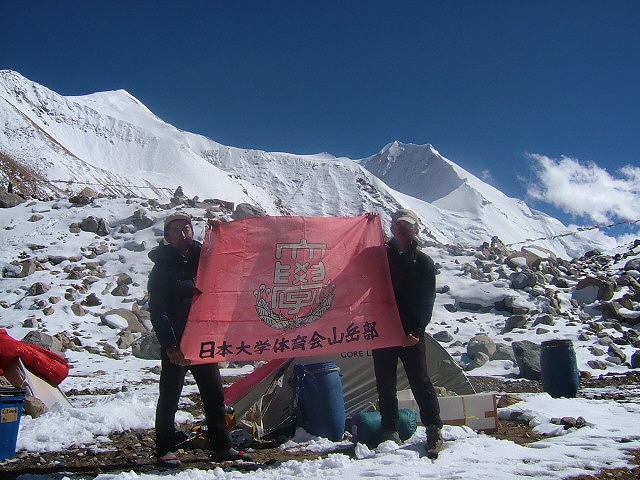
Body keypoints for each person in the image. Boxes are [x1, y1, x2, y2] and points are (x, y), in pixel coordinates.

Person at [148, 211, 252, 467]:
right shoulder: (162, 268)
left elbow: (231, 256)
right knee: (170, 395)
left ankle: (221, 446)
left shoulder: (202, 257)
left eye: (186, 229)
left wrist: (221, 232)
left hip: (203, 338)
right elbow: (158, 310)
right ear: (167, 236)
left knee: (214, 393)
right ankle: (164, 449)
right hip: (177, 342)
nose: (182, 234)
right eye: (176, 230)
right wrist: (170, 345)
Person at [371, 208, 443, 459]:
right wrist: (366, 225)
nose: (400, 228)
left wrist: (417, 330)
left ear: (415, 229)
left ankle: (434, 429)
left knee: (420, 381)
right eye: (396, 224)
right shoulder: (380, 256)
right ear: (391, 228)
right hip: (383, 330)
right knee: (385, 382)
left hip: (410, 332)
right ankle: (389, 429)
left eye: (406, 225)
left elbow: (427, 300)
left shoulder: (423, 262)